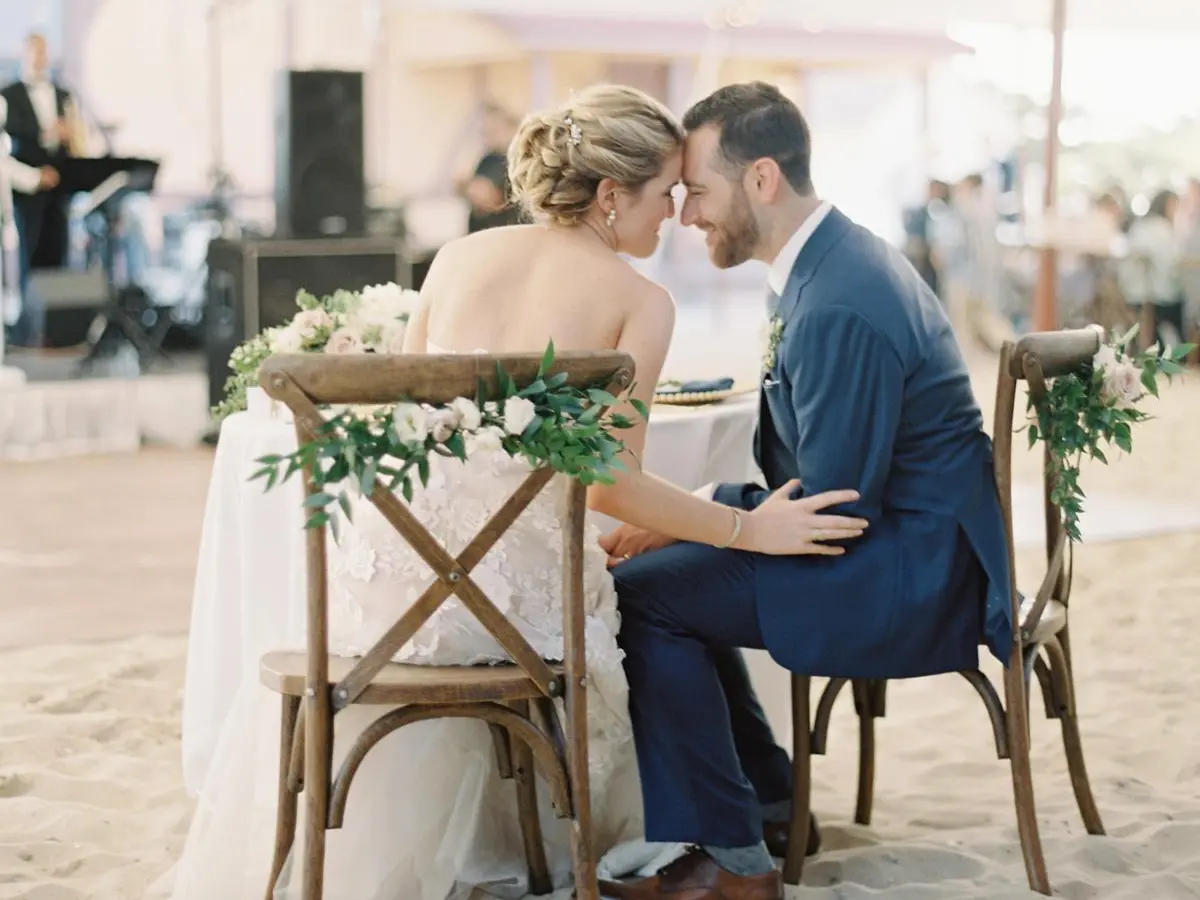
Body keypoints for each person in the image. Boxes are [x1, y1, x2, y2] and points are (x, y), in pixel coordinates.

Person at [160, 84, 864, 900]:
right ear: (610, 196)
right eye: (664, 194)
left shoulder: (456, 259)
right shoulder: (640, 302)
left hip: (387, 596)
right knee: (651, 592)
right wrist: (743, 530)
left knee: (645, 573)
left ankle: (758, 811)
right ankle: (749, 817)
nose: (674, 213)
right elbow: (608, 483)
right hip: (520, 610)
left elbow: (406, 426)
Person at [597, 82, 1013, 899]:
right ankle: (775, 805)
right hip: (904, 539)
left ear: (761, 181)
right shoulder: (827, 263)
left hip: (905, 572)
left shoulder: (839, 303)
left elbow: (835, 510)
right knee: (677, 577)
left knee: (645, 598)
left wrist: (703, 521)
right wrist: (707, 520)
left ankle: (736, 865)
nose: (687, 217)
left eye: (699, 193)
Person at [0, 32, 85, 347]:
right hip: (27, 193)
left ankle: (58, 329)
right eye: (34, 53)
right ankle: (28, 330)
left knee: (59, 256)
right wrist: (35, 174)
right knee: (29, 258)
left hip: (59, 191)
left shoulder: (63, 95)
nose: (40, 59)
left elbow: (78, 145)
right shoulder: (9, 95)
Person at [461, 102, 524, 233]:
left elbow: (490, 196)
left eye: (494, 129)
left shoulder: (515, 162)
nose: (488, 134)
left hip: (505, 231)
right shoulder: (487, 159)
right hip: (481, 231)